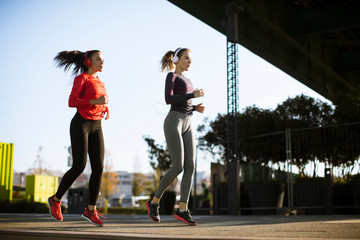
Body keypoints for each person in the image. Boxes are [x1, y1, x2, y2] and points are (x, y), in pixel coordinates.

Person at [48, 50, 109, 227]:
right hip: (81, 124)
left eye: (103, 60)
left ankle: (90, 209)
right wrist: (95, 103)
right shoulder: (81, 79)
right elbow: (72, 102)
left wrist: (104, 108)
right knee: (79, 166)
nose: (102, 62)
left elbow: (101, 100)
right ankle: (56, 199)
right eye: (98, 59)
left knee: (98, 167)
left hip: (97, 125)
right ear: (88, 62)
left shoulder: (100, 80)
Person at [146, 48, 205, 226]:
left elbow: (185, 102)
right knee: (178, 166)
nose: (189, 61)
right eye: (186, 58)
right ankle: (154, 202)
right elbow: (169, 99)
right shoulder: (172, 77)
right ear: (177, 59)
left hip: (188, 121)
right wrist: (192, 96)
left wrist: (195, 107)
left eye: (190, 59)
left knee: (190, 167)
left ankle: (183, 209)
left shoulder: (188, 79)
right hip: (174, 121)